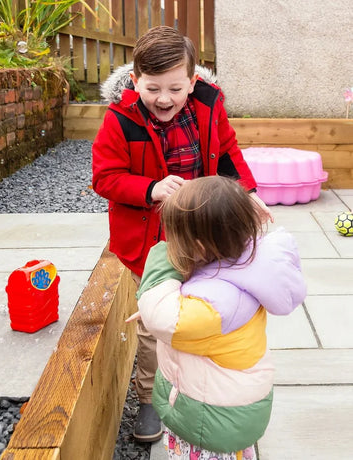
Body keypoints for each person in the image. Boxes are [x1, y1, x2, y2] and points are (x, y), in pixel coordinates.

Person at [92, 25, 272, 442]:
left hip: (203, 230)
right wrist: (150, 188)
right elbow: (105, 177)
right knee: (157, 323)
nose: (164, 99)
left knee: (206, 310)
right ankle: (150, 400)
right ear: (135, 81)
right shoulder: (120, 120)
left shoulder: (209, 106)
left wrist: (249, 194)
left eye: (175, 87)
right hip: (152, 241)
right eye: (153, 88)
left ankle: (199, 389)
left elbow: (227, 151)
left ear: (193, 81)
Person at [128, 176, 306, 460]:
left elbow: (165, 318)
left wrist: (161, 257)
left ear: (199, 248)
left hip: (209, 420)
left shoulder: (215, 304)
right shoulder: (240, 265)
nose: (170, 244)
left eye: (173, 238)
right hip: (228, 408)